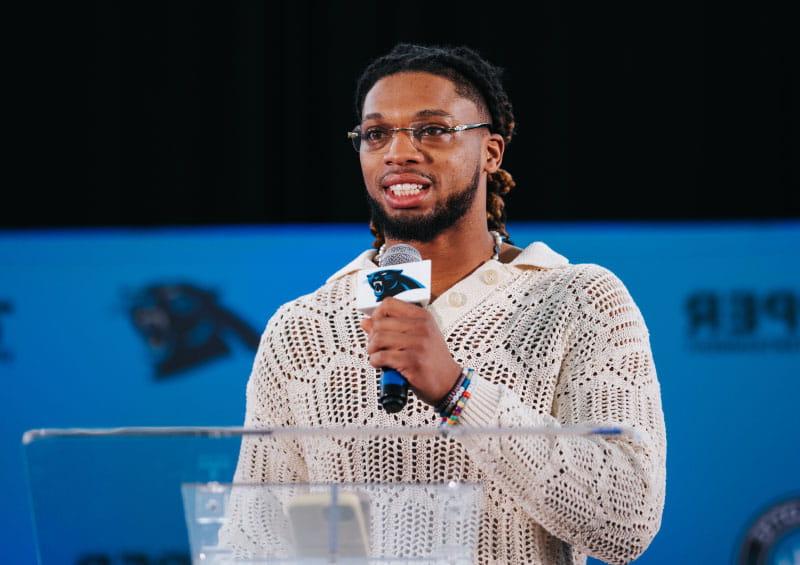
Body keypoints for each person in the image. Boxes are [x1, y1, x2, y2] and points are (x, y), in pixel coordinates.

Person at [220, 43, 666, 564]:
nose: (399, 151)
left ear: (491, 152)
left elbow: (627, 522)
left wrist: (459, 391)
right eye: (377, 133)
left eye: (432, 130)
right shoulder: (303, 328)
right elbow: (255, 544)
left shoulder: (579, 299)